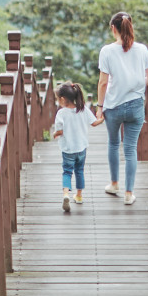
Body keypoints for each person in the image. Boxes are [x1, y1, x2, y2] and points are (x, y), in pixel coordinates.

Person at [95, 11, 148, 206]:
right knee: (130, 149)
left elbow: (103, 83)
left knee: (113, 143)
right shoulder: (142, 50)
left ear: (113, 29)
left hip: (113, 106)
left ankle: (114, 184)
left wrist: (99, 107)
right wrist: (136, 84)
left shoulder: (107, 51)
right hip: (136, 105)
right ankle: (129, 194)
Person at [51, 81, 101, 213]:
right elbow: (94, 123)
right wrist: (103, 117)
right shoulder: (82, 109)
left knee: (67, 172)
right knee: (79, 171)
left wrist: (55, 134)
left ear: (62, 99)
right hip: (81, 148)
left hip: (68, 149)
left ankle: (66, 194)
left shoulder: (61, 113)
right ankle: (79, 196)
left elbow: (60, 131)